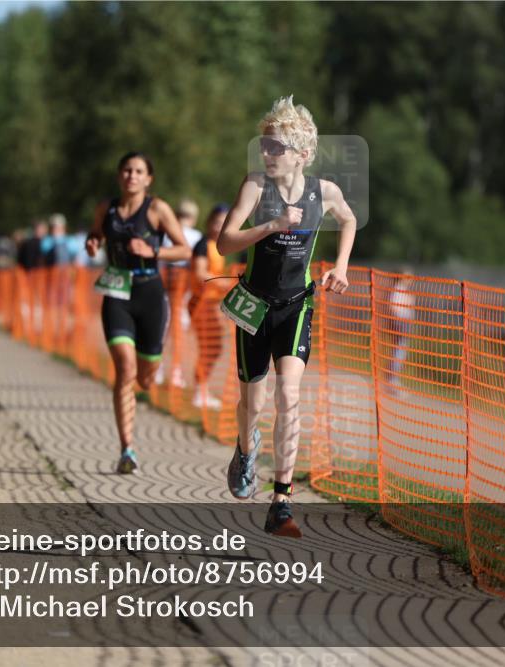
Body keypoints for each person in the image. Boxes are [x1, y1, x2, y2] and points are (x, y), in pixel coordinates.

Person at [216, 96, 356, 537]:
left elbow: (349, 219)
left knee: (289, 396)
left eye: (276, 147)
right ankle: (244, 449)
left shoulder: (324, 192)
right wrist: (272, 225)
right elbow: (225, 242)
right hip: (254, 306)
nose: (267, 154)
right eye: (265, 145)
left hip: (296, 306)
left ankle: (281, 499)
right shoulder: (256, 187)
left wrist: (342, 266)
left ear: (303, 154)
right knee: (252, 403)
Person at [85, 152, 191, 474]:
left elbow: (184, 248)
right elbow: (95, 235)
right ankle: (127, 449)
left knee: (144, 378)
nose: (132, 176)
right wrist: (92, 243)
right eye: (127, 170)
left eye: (139, 171)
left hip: (149, 294)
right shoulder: (107, 209)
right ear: (120, 176)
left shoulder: (157, 209)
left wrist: (153, 250)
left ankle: (145, 379)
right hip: (117, 292)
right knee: (125, 368)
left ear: (148, 179)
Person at [157, 199, 204, 388]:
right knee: (178, 333)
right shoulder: (196, 236)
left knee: (162, 330)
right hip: (182, 292)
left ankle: (158, 370)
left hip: (165, 290)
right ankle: (174, 372)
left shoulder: (168, 234)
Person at [189, 204, 230, 409]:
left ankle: (202, 389)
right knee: (210, 347)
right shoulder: (202, 244)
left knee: (213, 347)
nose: (219, 225)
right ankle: (199, 392)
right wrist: (222, 282)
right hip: (200, 303)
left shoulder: (219, 246)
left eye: (224, 222)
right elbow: (199, 273)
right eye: (217, 221)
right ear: (209, 222)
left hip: (211, 303)